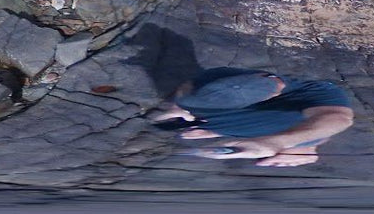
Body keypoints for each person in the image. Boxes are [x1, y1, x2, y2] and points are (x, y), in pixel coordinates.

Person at [148, 67, 354, 167]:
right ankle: (197, 120)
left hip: (254, 131)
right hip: (215, 120)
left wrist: (277, 143)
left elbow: (339, 118)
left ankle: (201, 123)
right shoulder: (210, 85)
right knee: (177, 116)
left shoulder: (320, 93)